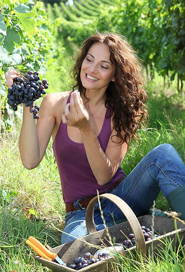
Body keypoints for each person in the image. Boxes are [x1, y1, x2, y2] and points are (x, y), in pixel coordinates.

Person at [5, 32, 185, 244]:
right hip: (81, 213)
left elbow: (104, 176)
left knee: (163, 154)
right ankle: (138, 229)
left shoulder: (122, 112)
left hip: (122, 200)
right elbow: (30, 160)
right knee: (78, 247)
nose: (91, 69)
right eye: (89, 60)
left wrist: (87, 130)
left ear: (115, 75)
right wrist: (27, 102)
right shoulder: (55, 103)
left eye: (103, 65)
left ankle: (140, 226)